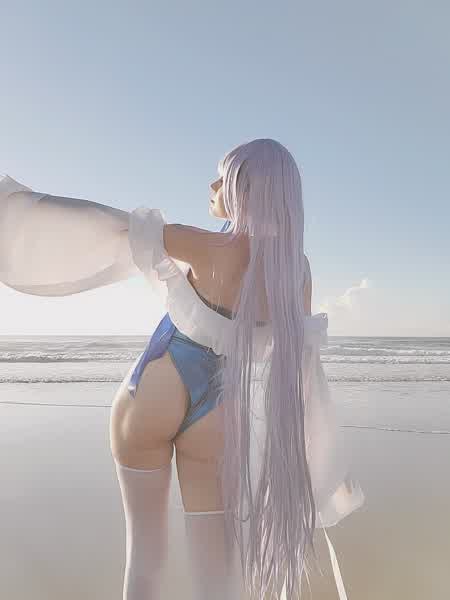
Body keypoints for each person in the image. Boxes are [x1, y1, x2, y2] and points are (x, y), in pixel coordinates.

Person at [0, 138, 364, 599]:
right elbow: (301, 368)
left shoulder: (208, 244)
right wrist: (321, 455)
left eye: (223, 178)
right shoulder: (298, 271)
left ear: (248, 190)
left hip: (152, 392)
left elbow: (110, 227)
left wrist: (15, 210)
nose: (212, 186)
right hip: (218, 412)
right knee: (216, 576)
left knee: (145, 557)